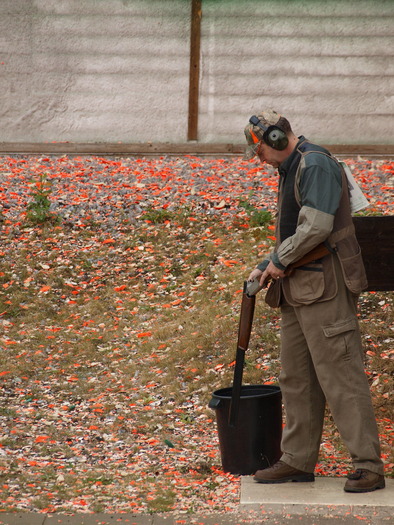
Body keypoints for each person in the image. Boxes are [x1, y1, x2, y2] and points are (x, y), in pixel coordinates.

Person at [244, 109, 385, 493]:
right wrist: (268, 263)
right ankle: (297, 459)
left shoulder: (316, 164)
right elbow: (295, 230)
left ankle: (368, 465)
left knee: (341, 377)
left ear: (274, 139)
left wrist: (277, 261)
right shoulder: (294, 167)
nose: (258, 157)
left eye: (259, 149)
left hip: (326, 285)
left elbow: (317, 227)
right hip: (300, 286)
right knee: (297, 378)